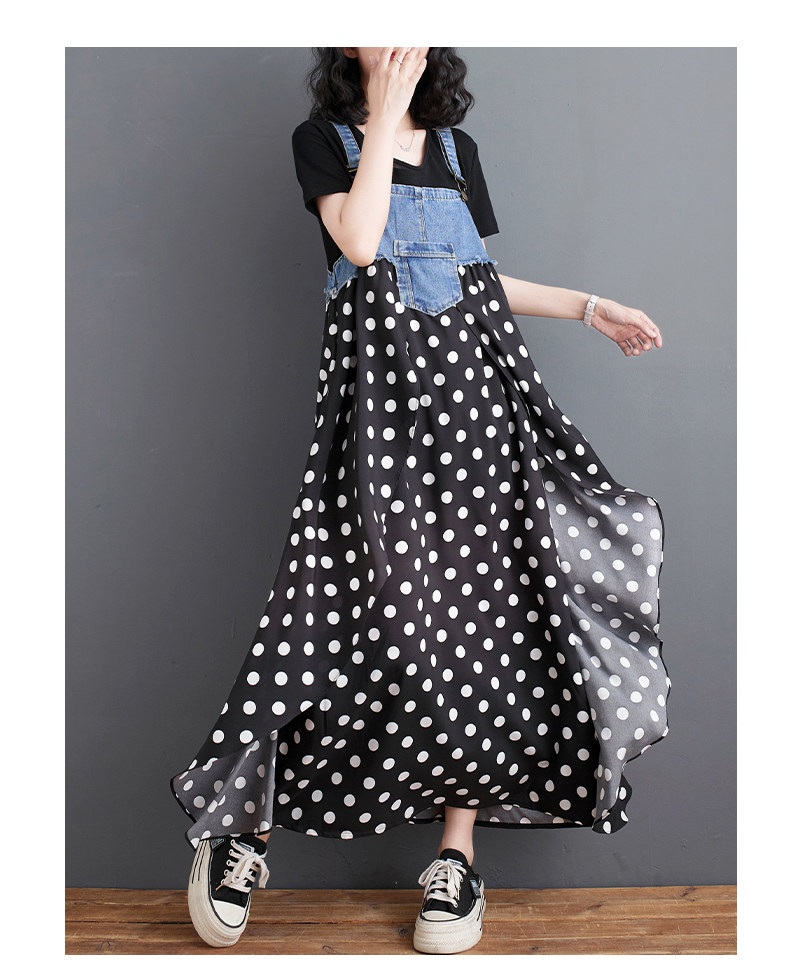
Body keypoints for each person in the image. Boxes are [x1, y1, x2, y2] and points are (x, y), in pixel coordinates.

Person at [170, 46, 670, 955]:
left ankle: (455, 855)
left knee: (482, 623)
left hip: (477, 412)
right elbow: (361, 244)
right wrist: (382, 115)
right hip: (377, 417)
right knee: (335, 614)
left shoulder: (456, 149)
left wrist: (587, 306)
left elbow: (471, 277)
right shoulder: (323, 141)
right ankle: (241, 830)